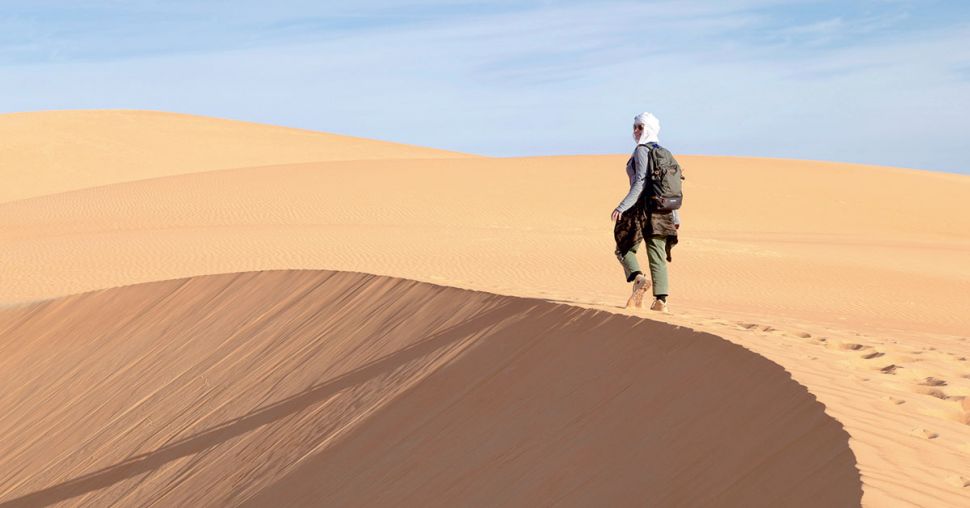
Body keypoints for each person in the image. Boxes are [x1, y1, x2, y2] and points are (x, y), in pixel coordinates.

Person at [611, 112, 679, 313]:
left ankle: (638, 278)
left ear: (648, 128)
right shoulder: (667, 153)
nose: (636, 131)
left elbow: (640, 183)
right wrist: (674, 215)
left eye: (640, 127)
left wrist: (621, 207)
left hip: (641, 208)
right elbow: (673, 188)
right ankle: (661, 302)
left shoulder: (642, 150)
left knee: (623, 246)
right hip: (664, 209)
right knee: (657, 254)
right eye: (634, 127)